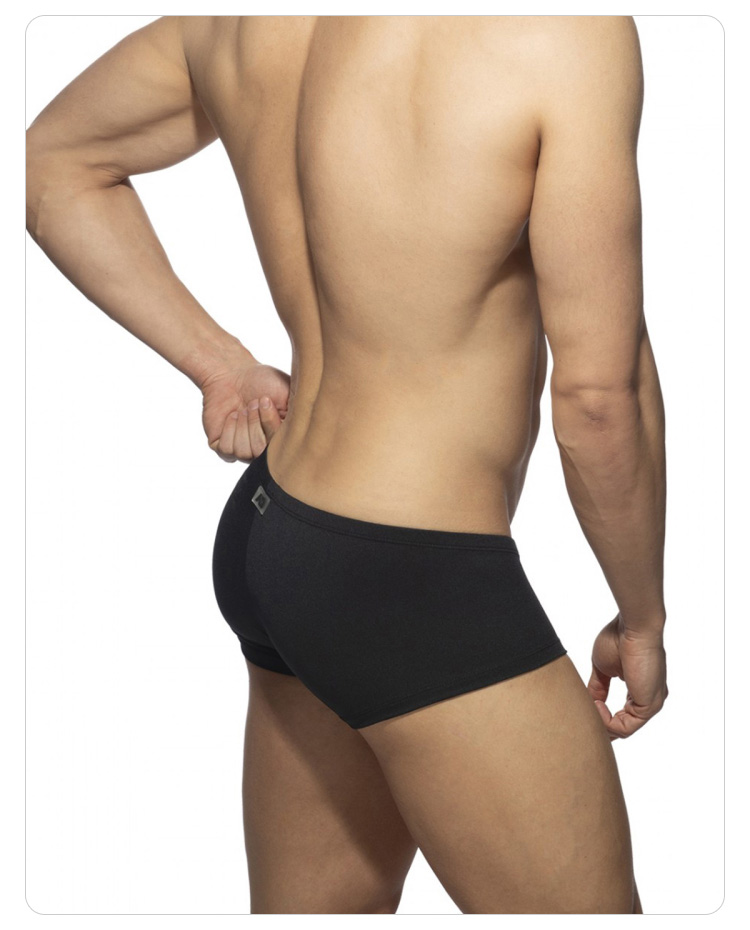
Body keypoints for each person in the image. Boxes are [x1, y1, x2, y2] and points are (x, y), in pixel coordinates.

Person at [26, 15, 667, 915]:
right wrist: (641, 619)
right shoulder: (558, 34)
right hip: (412, 576)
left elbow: (49, 161)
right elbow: (600, 396)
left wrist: (220, 365)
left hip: (278, 527)